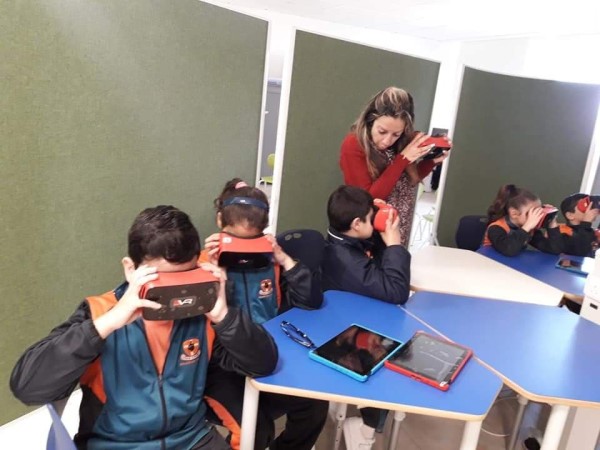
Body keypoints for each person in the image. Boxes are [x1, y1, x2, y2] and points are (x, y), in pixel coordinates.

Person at [10, 205, 278, 450]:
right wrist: (108, 323)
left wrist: (224, 315)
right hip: (114, 443)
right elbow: (27, 387)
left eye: (185, 279)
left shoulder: (203, 314)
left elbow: (263, 364)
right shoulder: (100, 313)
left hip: (190, 439)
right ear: (131, 269)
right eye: (163, 283)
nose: (177, 295)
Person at [201, 178, 327, 450]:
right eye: (236, 240)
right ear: (220, 222)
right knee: (255, 427)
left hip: (270, 351)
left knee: (315, 403)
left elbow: (310, 302)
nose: (243, 251)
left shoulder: (271, 261)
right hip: (222, 366)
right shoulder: (203, 265)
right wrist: (215, 278)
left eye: (251, 241)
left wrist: (285, 259)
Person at [322, 185, 411, 450]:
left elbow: (380, 271)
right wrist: (394, 244)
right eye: (372, 218)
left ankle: (364, 422)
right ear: (356, 224)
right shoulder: (346, 259)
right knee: (392, 356)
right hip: (341, 330)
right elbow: (396, 291)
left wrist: (378, 225)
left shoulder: (345, 238)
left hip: (356, 315)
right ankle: (365, 429)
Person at [339, 86, 450, 247]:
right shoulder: (354, 144)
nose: (387, 141)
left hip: (398, 224)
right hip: (370, 229)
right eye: (382, 131)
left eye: (396, 134)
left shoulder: (403, 141)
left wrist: (433, 161)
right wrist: (402, 159)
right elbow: (367, 200)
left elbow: (409, 180)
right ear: (370, 120)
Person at [482, 184, 564, 256]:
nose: (536, 217)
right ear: (514, 214)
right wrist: (527, 227)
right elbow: (509, 250)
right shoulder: (496, 228)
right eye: (531, 213)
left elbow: (554, 249)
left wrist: (551, 223)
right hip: (489, 263)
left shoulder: (529, 229)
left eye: (538, 211)